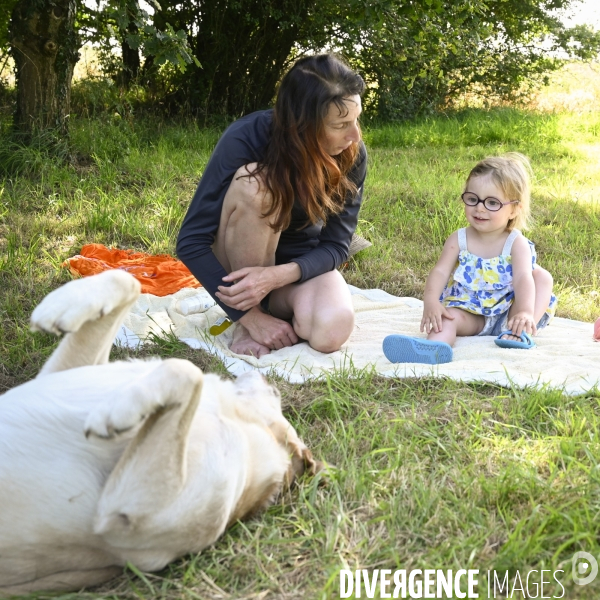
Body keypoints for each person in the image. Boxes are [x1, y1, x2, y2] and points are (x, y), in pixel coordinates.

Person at [176, 54, 367, 358]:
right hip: (237, 260)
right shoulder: (245, 138)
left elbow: (336, 246)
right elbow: (191, 242)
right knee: (257, 186)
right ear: (302, 125)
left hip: (293, 272)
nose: (355, 134)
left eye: (356, 119)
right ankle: (246, 322)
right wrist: (248, 318)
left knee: (332, 330)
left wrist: (276, 277)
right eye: (341, 124)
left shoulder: (351, 152)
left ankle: (282, 309)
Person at [383, 153, 557, 365]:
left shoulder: (515, 243)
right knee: (448, 319)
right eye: (473, 199)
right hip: (471, 313)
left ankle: (523, 331)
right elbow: (440, 271)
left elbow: (522, 279)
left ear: (514, 209)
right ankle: (434, 349)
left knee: (542, 277)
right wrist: (431, 302)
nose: (480, 208)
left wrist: (524, 312)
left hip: (509, 314)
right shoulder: (459, 239)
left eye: (492, 202)